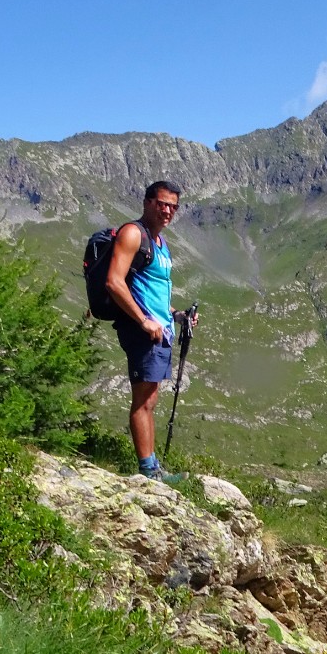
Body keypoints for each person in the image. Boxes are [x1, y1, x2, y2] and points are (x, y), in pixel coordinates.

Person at [105, 179, 197, 481]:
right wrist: (144, 321)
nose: (167, 210)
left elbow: (153, 293)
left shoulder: (159, 242)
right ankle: (148, 471)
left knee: (151, 400)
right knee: (143, 402)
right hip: (144, 332)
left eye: (173, 206)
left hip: (160, 330)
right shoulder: (134, 234)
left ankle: (153, 466)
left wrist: (178, 316)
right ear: (147, 202)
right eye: (162, 204)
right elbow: (114, 282)